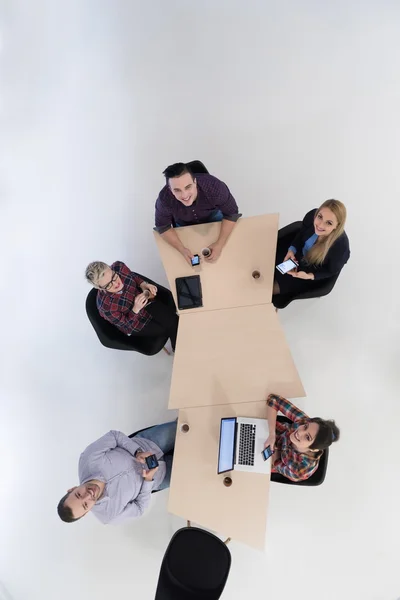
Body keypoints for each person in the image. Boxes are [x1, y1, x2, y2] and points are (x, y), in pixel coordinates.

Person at [57, 422, 177, 524]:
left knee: (189, 425)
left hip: (149, 443)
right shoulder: (109, 516)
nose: (88, 495)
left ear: (72, 489)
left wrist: (137, 452)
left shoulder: (87, 459)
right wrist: (148, 481)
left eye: (78, 494)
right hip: (161, 476)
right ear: (86, 513)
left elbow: (114, 436)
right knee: (194, 466)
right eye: (85, 505)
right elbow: (140, 508)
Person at [154, 162, 241, 265]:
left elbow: (231, 213)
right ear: (170, 189)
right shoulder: (164, 198)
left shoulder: (214, 186)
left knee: (228, 256)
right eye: (177, 190)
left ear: (195, 182)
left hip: (213, 217)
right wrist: (182, 250)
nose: (184, 195)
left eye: (188, 187)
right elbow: (163, 227)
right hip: (184, 223)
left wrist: (220, 244)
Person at [85, 260, 179, 351]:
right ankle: (179, 351)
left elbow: (133, 276)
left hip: (146, 302)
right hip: (137, 323)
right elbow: (127, 325)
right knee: (168, 328)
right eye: (108, 285)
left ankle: (179, 347)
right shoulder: (106, 307)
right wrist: (135, 309)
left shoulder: (119, 267)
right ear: (100, 288)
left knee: (174, 321)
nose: (116, 283)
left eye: (114, 276)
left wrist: (143, 284)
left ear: (111, 269)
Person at [273, 200, 350, 298]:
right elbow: (300, 234)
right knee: (265, 269)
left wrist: (309, 276)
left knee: (270, 290)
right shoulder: (311, 217)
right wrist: (291, 249)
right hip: (297, 255)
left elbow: (331, 271)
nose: (320, 225)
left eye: (329, 223)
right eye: (320, 217)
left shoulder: (340, 247)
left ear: (337, 226)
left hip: (310, 270)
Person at [264, 393, 340, 482]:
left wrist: (272, 449)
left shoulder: (302, 470)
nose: (300, 432)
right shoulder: (305, 421)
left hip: (268, 459)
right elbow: (274, 400)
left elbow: (275, 463)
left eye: (307, 437)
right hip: (268, 430)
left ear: (313, 449)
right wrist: (272, 434)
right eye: (305, 427)